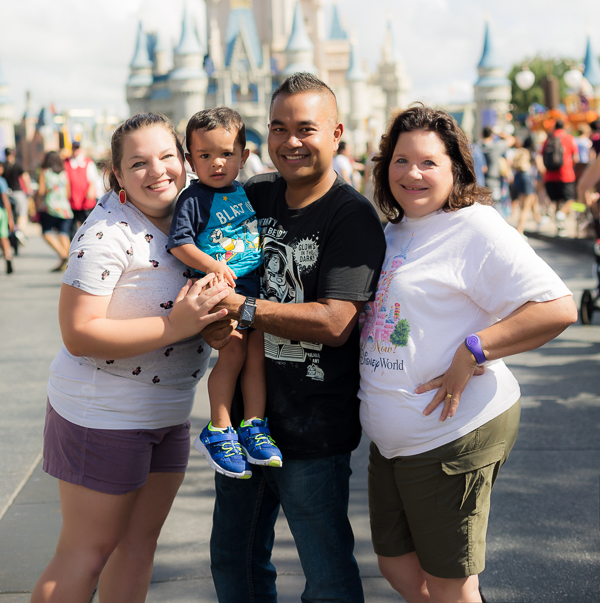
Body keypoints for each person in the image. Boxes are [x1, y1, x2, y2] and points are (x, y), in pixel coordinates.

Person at [359, 104, 577, 603]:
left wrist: (473, 350)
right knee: (396, 568)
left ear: (456, 168)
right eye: (400, 159)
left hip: (452, 434)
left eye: (428, 162)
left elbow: (557, 308)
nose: (412, 173)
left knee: (451, 584)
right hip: (395, 441)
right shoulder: (392, 231)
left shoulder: (475, 227)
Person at [31, 112, 230, 603]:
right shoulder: (106, 233)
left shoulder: (198, 219)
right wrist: (175, 326)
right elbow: (79, 333)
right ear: (117, 174)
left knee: (138, 547)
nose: (156, 171)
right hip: (104, 411)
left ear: (185, 161)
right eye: (137, 163)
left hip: (167, 410)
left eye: (167, 156)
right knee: (87, 552)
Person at [204, 72, 386, 603]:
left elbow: (335, 323)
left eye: (306, 128)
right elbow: (208, 259)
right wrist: (217, 321)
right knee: (233, 562)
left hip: (314, 431)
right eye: (278, 129)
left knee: (326, 574)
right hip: (245, 425)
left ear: (336, 134)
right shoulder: (252, 195)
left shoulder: (352, 216)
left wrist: (245, 308)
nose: (290, 142)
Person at [167, 108, 282, 478]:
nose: (217, 163)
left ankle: (254, 426)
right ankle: (219, 428)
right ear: (190, 160)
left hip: (254, 291)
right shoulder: (194, 198)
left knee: (256, 357)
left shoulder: (245, 193)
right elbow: (179, 244)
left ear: (243, 157)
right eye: (205, 156)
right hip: (221, 292)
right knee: (231, 354)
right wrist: (213, 266)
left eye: (226, 154)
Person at [36, 151, 74, 271]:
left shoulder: (45, 172)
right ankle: (71, 262)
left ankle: (63, 255)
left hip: (50, 207)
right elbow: (68, 192)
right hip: (65, 208)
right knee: (63, 234)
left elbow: (41, 191)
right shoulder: (64, 173)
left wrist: (36, 197)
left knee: (46, 232)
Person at [541, 119, 579, 235]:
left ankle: (560, 229)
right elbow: (576, 158)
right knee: (570, 199)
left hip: (549, 176)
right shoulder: (569, 138)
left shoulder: (548, 139)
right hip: (565, 175)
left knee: (556, 201)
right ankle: (561, 214)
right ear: (565, 126)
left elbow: (541, 155)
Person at [64, 141, 99, 231]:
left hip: (85, 201)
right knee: (72, 228)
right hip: (72, 201)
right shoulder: (67, 162)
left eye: (77, 148)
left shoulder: (87, 162)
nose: (75, 150)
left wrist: (91, 191)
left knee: (88, 225)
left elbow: (93, 179)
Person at [2, 147, 30, 242]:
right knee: (23, 211)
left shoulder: (2, 166)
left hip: (5, 193)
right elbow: (25, 178)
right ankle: (20, 231)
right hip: (17, 192)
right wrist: (28, 190)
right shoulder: (17, 165)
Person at [0, 160, 15, 274]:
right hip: (1, 212)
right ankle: (8, 257)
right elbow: (5, 200)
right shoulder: (1, 181)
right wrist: (10, 218)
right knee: (4, 236)